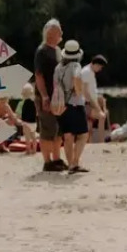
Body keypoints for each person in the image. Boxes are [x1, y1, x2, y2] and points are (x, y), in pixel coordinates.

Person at [34, 18, 66, 172]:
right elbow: (39, 76)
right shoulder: (42, 51)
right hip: (46, 96)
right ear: (49, 33)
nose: (60, 34)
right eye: (57, 31)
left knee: (58, 129)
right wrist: (44, 96)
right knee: (47, 128)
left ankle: (56, 158)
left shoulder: (58, 51)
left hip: (58, 97)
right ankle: (47, 161)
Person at [54, 39, 90, 173]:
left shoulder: (58, 68)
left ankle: (70, 165)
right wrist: (79, 91)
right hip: (75, 104)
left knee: (67, 136)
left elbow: (56, 85)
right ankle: (75, 163)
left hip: (61, 105)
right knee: (83, 135)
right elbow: (77, 78)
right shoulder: (76, 66)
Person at [81, 54, 108, 142]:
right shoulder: (87, 72)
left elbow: (91, 90)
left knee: (90, 125)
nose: (100, 69)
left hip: (90, 102)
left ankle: (91, 143)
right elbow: (85, 92)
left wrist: (99, 98)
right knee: (102, 117)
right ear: (96, 64)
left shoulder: (90, 72)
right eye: (100, 67)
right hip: (86, 103)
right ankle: (101, 141)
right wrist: (97, 107)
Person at [18, 82, 38, 155]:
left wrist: (21, 120)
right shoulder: (34, 102)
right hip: (34, 122)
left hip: (26, 122)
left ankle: (28, 150)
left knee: (27, 138)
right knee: (33, 137)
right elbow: (36, 112)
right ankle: (34, 150)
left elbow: (23, 113)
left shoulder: (25, 102)